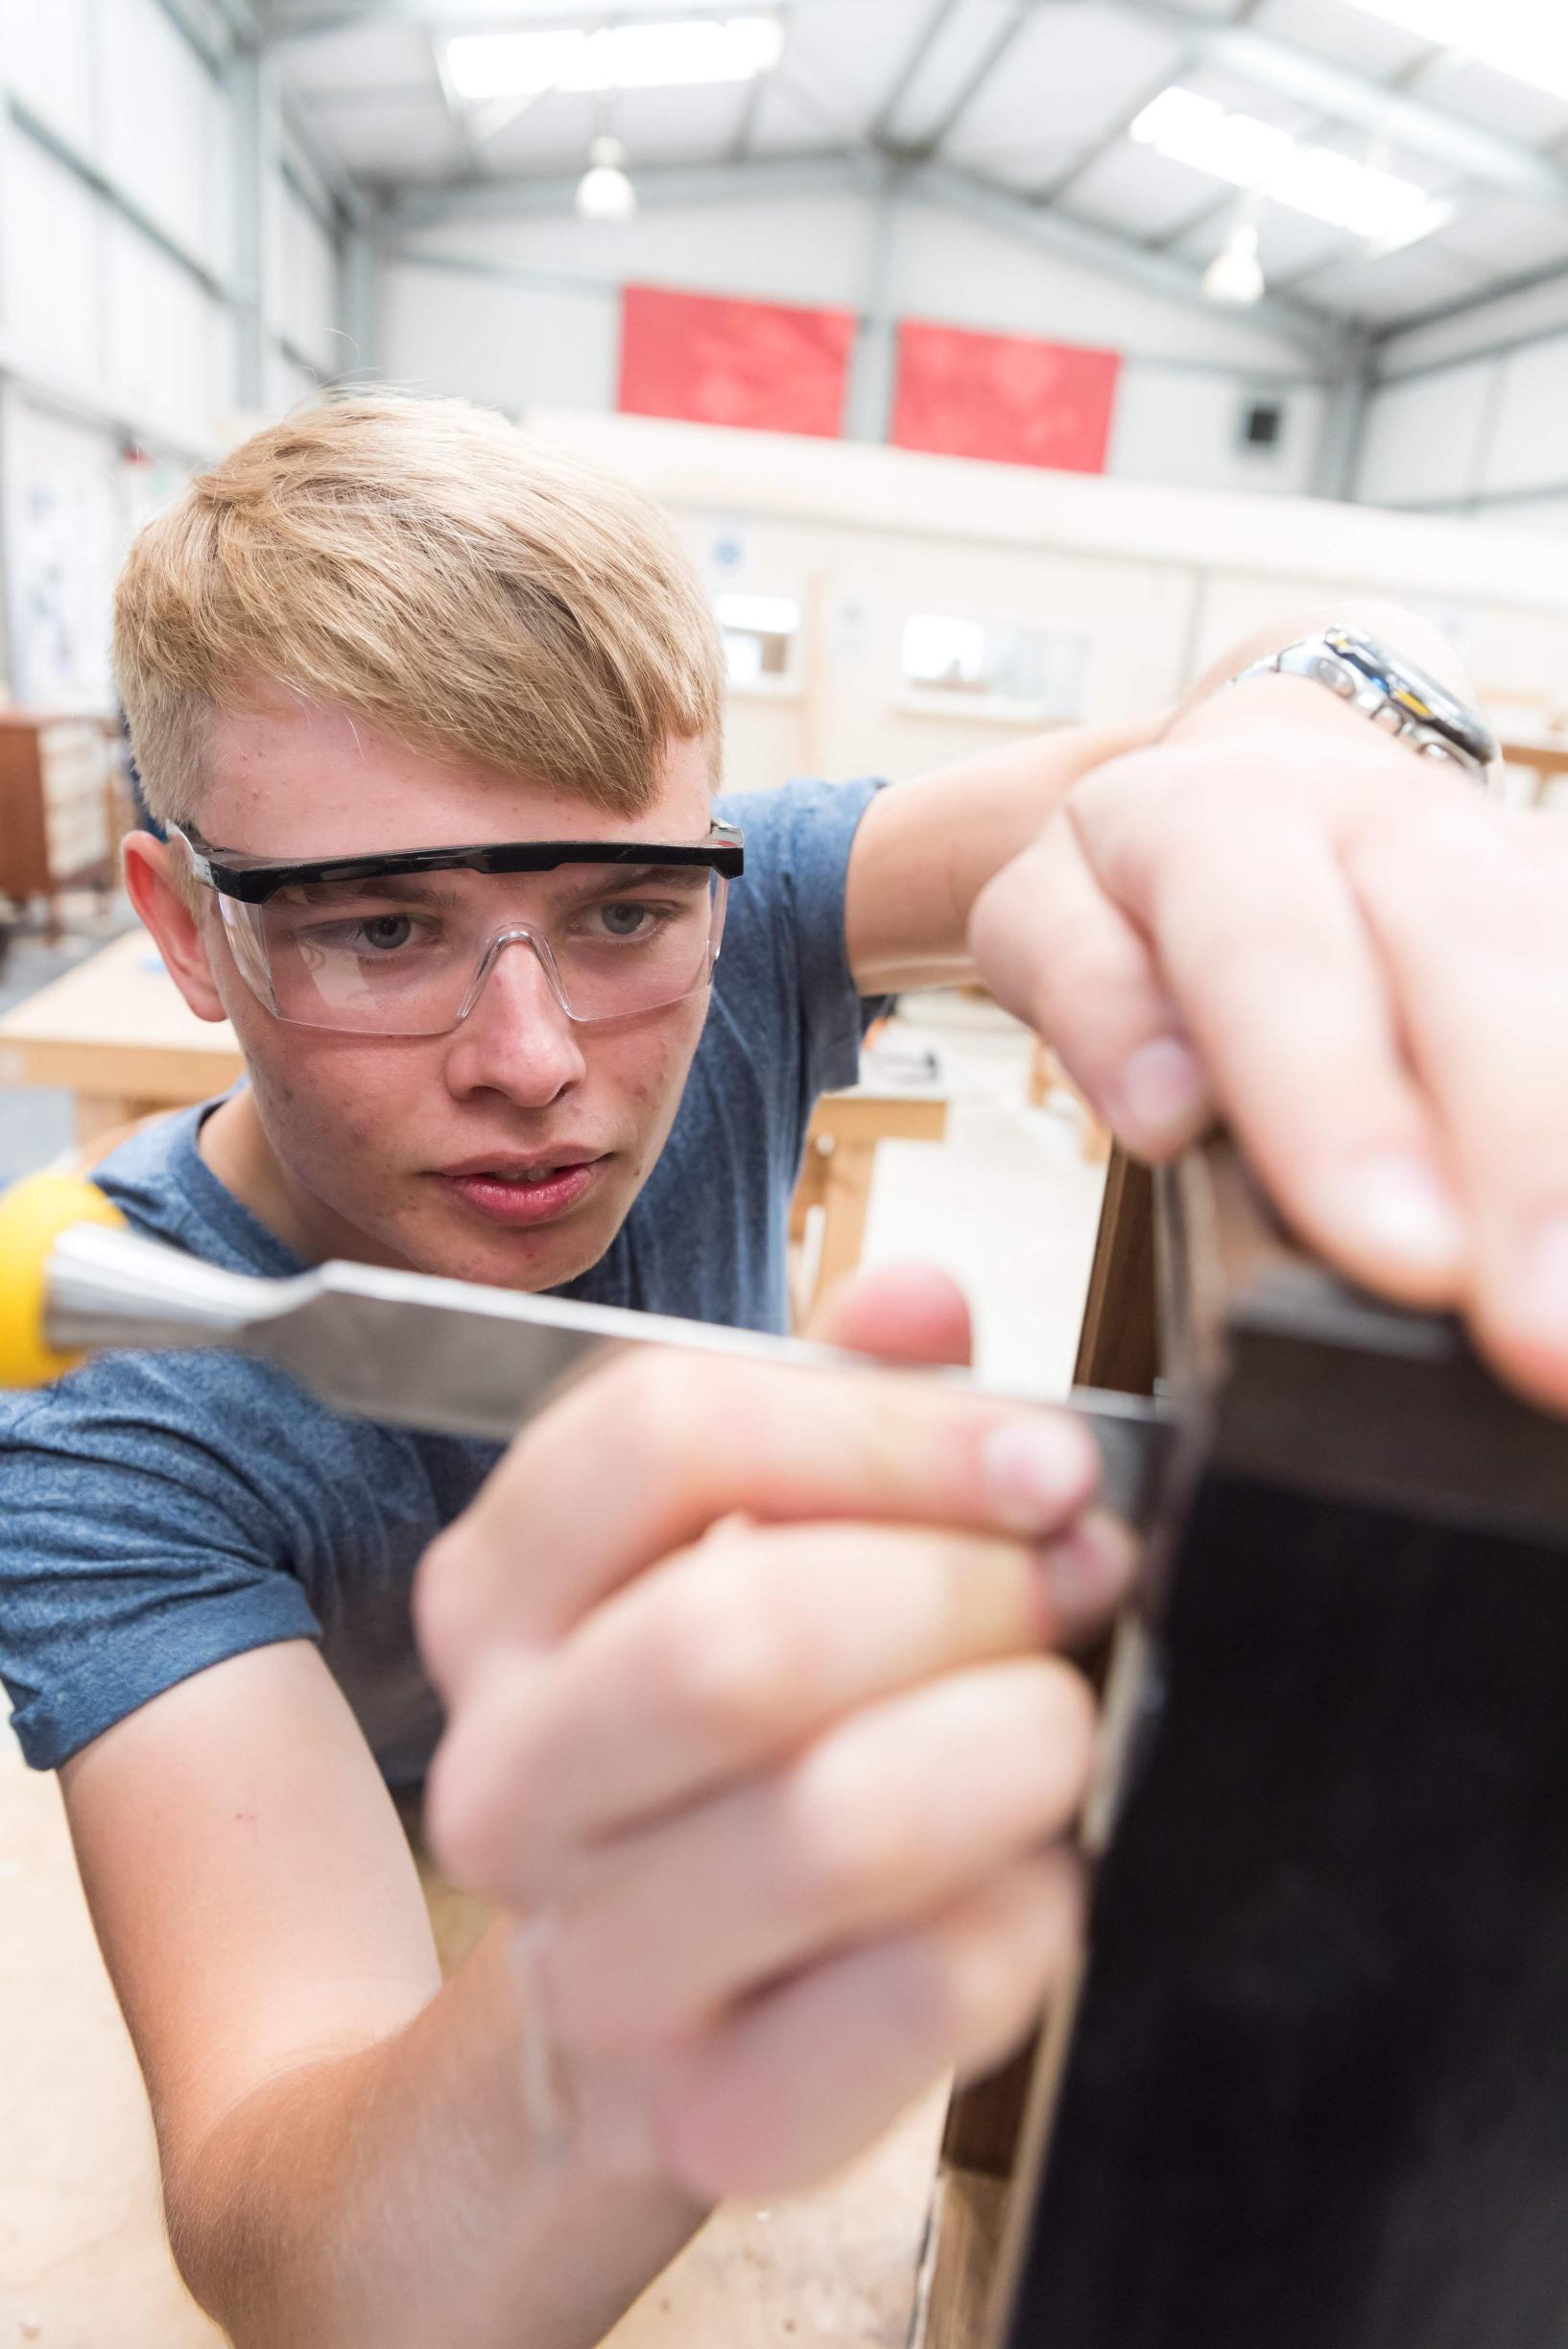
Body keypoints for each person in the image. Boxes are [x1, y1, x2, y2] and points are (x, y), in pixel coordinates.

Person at [3, 392, 1565, 2348]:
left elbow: (1294, 710)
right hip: (392, 1784)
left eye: (624, 916)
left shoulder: (752, 925)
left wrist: (1289, 740)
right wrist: (596, 2042)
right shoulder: (112, 1404)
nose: (536, 1056)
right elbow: (298, 2244)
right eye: (385, 928)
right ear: (181, 926)